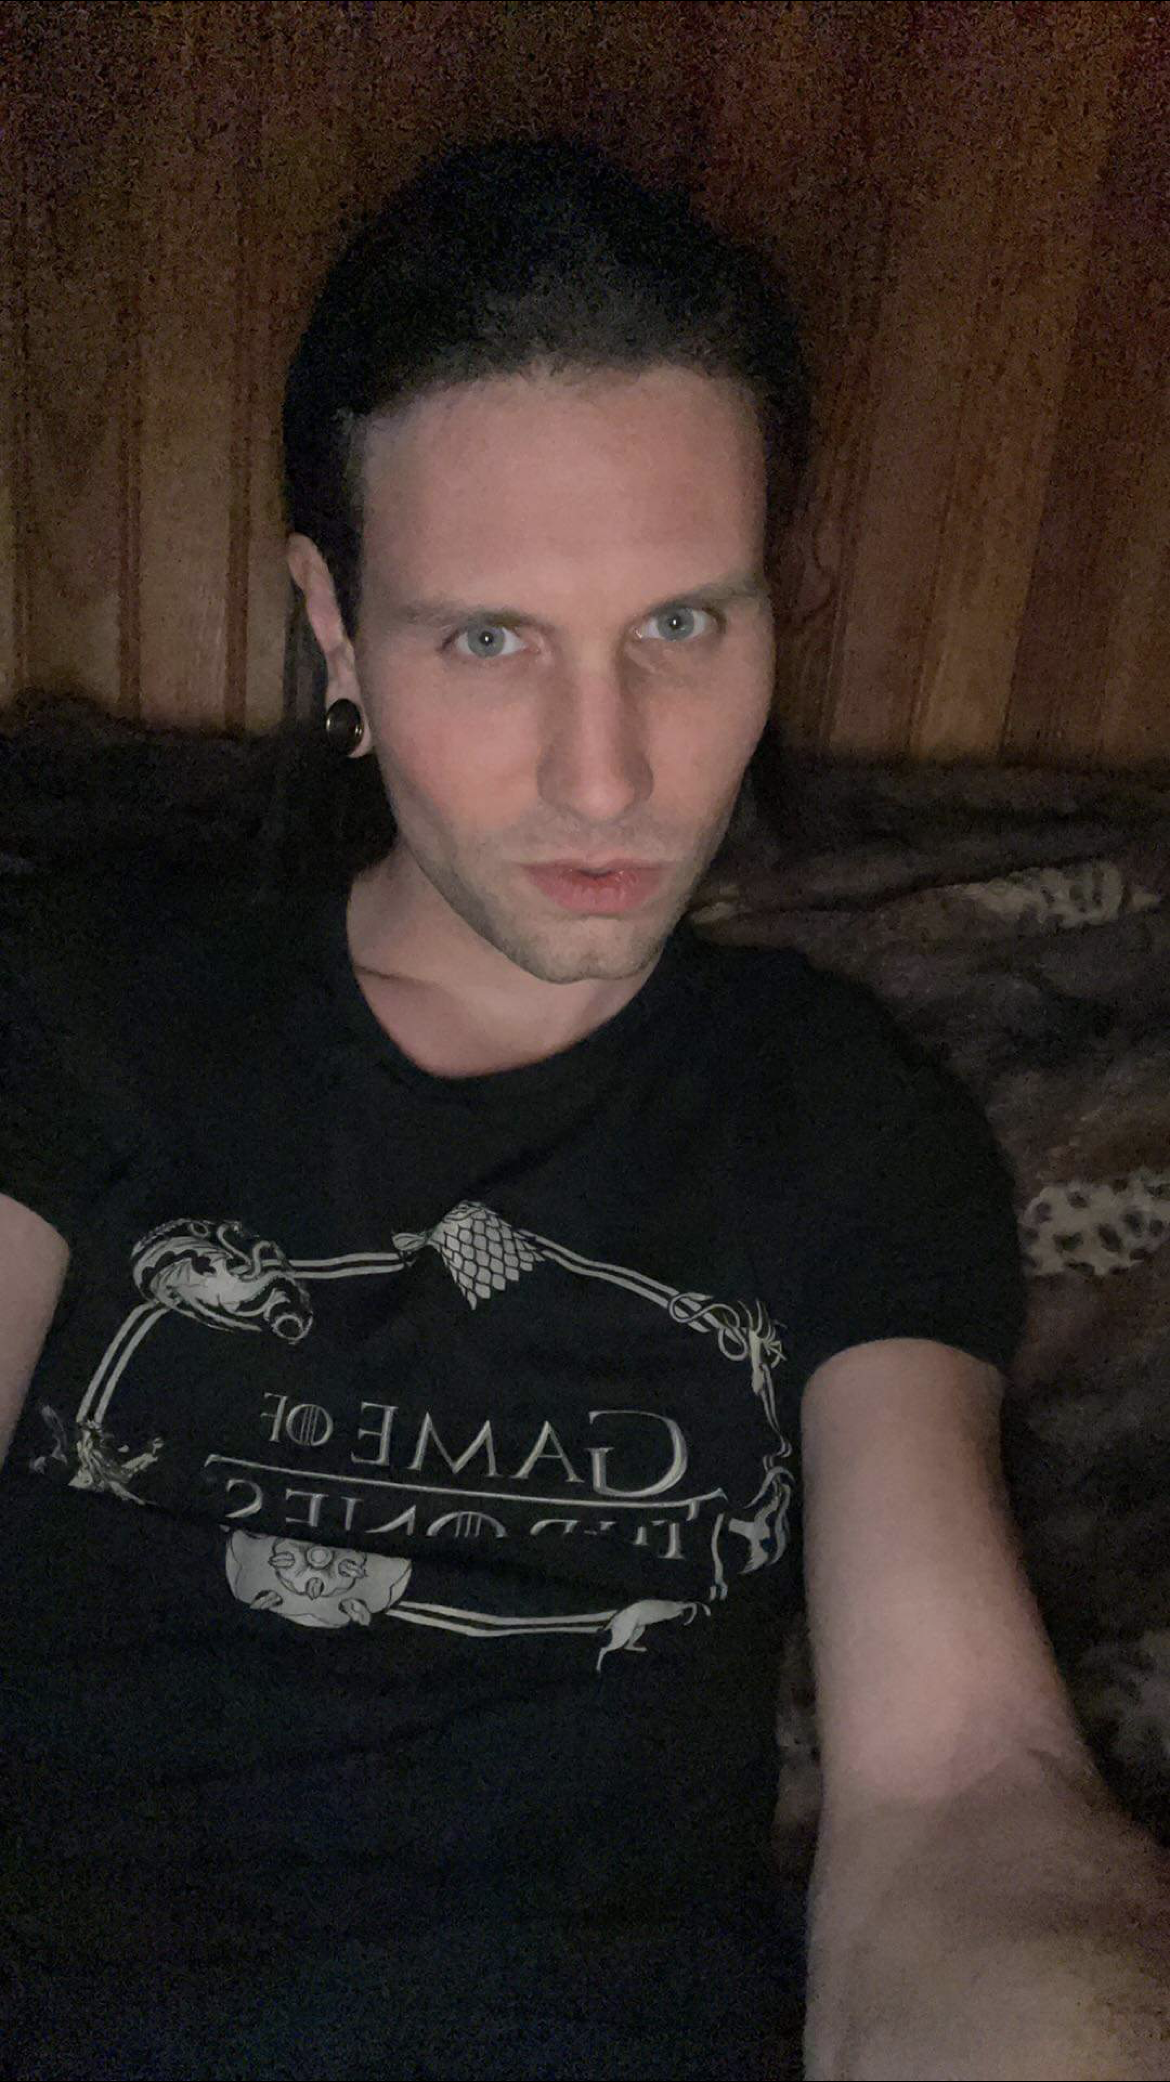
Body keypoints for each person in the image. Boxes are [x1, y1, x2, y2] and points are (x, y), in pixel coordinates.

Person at [1, 136, 1167, 2082]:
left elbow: (960, 1786)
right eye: (489, 639)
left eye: (679, 627)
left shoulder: (836, 1118)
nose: (606, 776)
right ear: (333, 623)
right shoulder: (80, 1013)